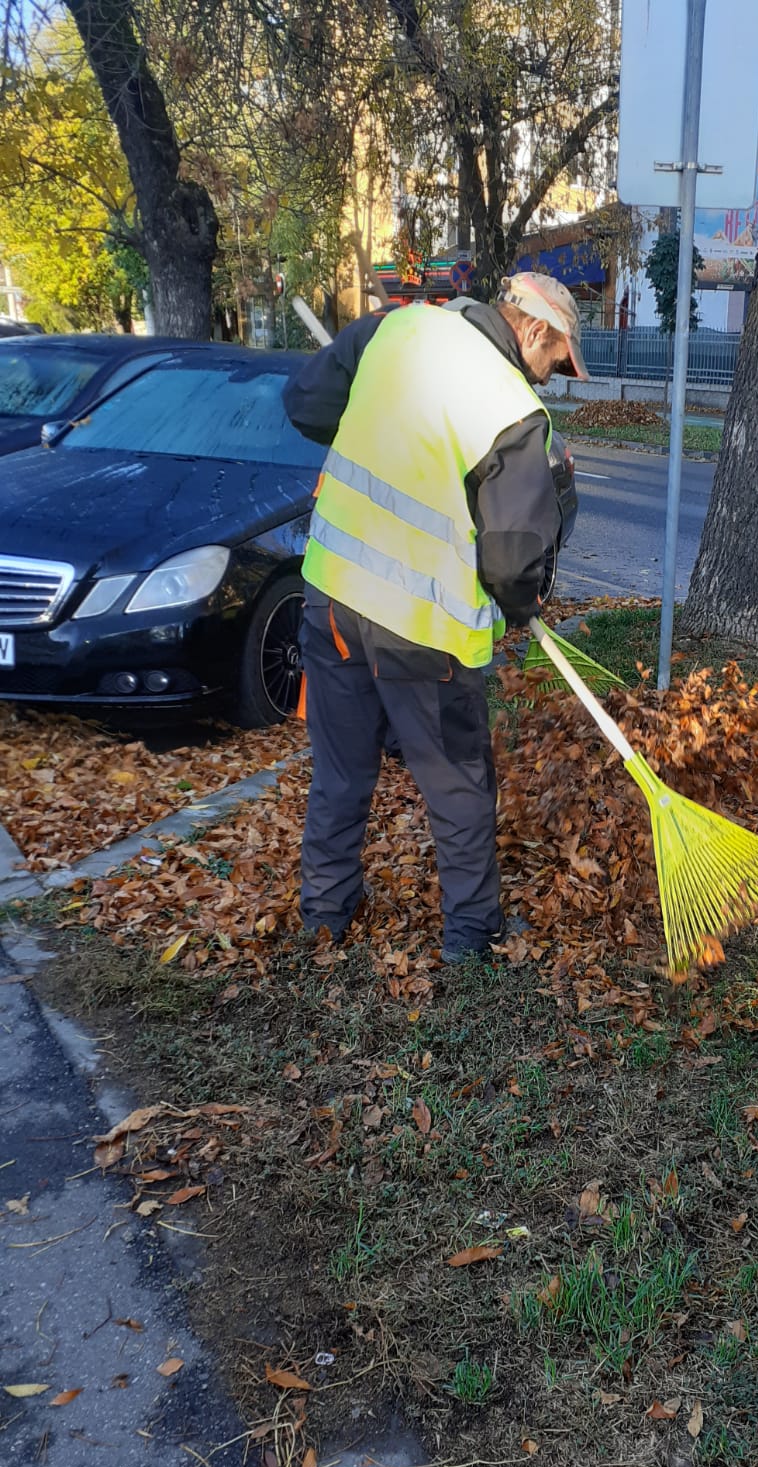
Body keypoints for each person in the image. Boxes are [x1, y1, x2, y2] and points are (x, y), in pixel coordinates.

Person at [282, 272, 589, 961]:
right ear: (535, 331)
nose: (550, 379)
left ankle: (326, 914)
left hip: (332, 599)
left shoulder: (399, 329)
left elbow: (305, 405)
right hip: (425, 632)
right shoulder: (510, 408)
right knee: (457, 784)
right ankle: (471, 938)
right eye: (555, 363)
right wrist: (521, 608)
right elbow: (513, 562)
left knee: (341, 771)